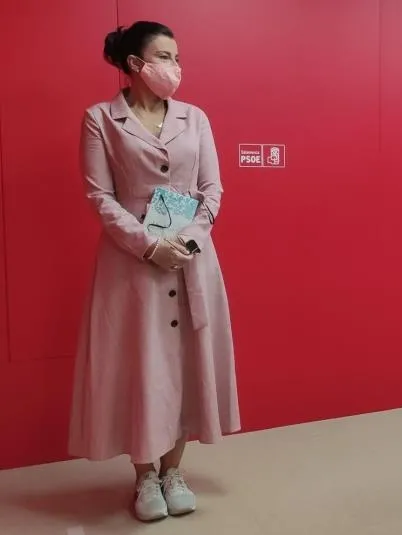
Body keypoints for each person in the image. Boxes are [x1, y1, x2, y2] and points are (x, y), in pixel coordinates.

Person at [67, 21, 240, 522]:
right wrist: (148, 245)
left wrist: (184, 241)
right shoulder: (100, 118)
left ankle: (173, 470)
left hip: (190, 258)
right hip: (132, 265)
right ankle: (144, 476)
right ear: (135, 65)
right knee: (139, 366)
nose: (175, 67)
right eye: (164, 57)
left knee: (186, 361)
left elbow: (213, 190)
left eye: (178, 57)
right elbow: (100, 196)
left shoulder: (196, 118)